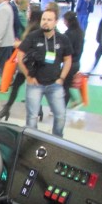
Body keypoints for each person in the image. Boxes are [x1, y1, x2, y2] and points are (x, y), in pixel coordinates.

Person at [20, 9, 73, 137]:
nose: (45, 22)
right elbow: (19, 56)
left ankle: (57, 141)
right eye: (44, 19)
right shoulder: (33, 36)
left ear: (55, 22)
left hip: (55, 84)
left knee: (60, 116)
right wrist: (28, 76)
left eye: (49, 20)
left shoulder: (62, 39)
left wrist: (61, 78)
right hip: (35, 84)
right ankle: (31, 140)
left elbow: (68, 60)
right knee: (32, 117)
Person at [0, 9, 42, 121]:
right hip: (30, 64)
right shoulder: (36, 29)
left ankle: (6, 109)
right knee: (29, 88)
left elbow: (29, 45)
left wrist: (17, 44)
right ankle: (39, 110)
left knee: (17, 87)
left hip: (28, 64)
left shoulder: (34, 29)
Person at [61, 11, 84, 107]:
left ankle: (65, 106)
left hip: (70, 63)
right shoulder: (80, 32)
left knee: (64, 85)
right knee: (67, 84)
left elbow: (65, 50)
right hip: (77, 62)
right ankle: (74, 100)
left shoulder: (69, 34)